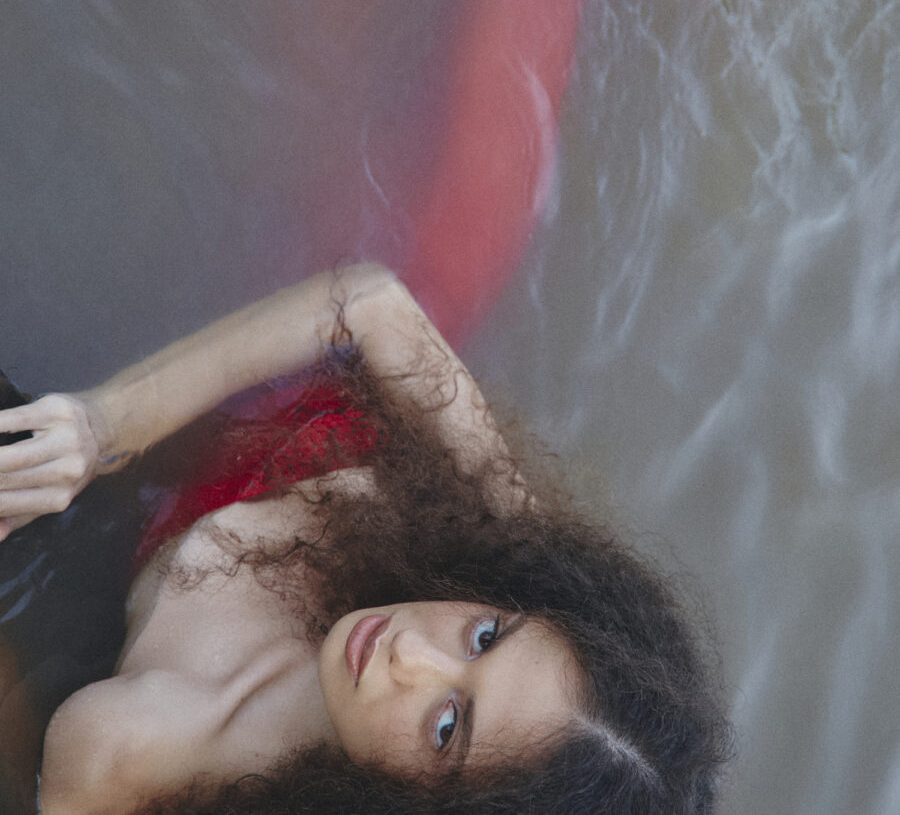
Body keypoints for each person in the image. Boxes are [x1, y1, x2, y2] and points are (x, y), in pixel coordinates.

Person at [0, 264, 732, 814]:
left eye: (446, 726)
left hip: (66, 580)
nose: (410, 653)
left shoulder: (135, 759)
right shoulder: (501, 549)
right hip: (177, 398)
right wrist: (106, 426)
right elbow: (369, 303)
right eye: (484, 637)